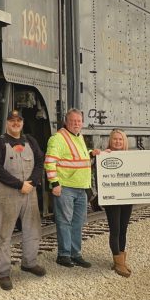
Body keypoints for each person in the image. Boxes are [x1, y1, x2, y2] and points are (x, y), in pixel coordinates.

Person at [0, 109, 46, 291]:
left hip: (29, 191)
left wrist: (32, 182)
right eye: (12, 121)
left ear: (22, 123)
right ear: (6, 123)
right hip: (8, 194)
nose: (16, 123)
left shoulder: (30, 141)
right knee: (5, 234)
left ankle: (29, 262)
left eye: (18, 120)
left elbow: (39, 161)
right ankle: (3, 272)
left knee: (32, 229)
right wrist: (19, 185)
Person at [45, 108, 99, 268]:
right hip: (65, 188)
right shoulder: (58, 138)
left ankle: (76, 254)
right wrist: (54, 184)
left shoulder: (78, 137)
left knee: (77, 222)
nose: (76, 124)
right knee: (64, 221)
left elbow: (76, 156)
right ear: (66, 122)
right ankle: (64, 255)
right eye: (73, 121)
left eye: (79, 121)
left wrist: (91, 153)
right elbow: (49, 162)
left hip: (81, 188)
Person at [100, 129, 133, 277]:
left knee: (123, 228)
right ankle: (118, 263)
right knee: (115, 229)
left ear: (124, 141)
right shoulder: (104, 155)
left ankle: (121, 260)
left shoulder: (130, 156)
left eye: (120, 139)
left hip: (127, 197)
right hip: (112, 198)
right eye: (115, 139)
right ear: (110, 141)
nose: (117, 142)